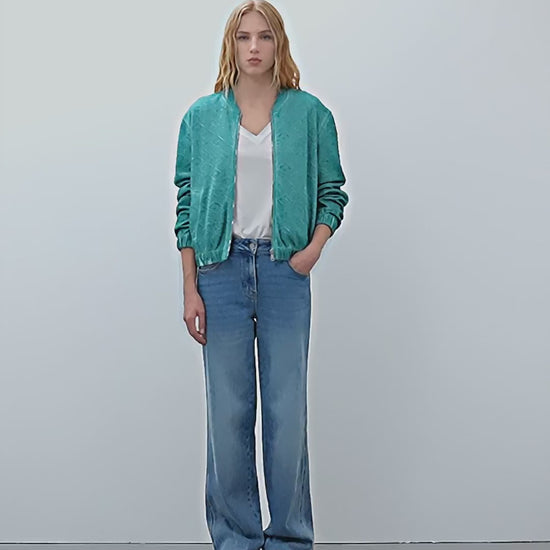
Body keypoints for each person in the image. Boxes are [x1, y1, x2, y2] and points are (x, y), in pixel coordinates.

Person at [172, 1, 349, 548]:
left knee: (285, 413)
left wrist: (311, 251)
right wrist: (190, 286)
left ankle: (291, 538)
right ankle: (236, 539)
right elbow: (186, 204)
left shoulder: (311, 114)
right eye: (244, 36)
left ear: (279, 44)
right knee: (228, 414)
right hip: (219, 272)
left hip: (284, 271)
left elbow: (332, 193)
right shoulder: (202, 117)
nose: (254, 47)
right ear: (231, 44)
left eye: (265, 36)